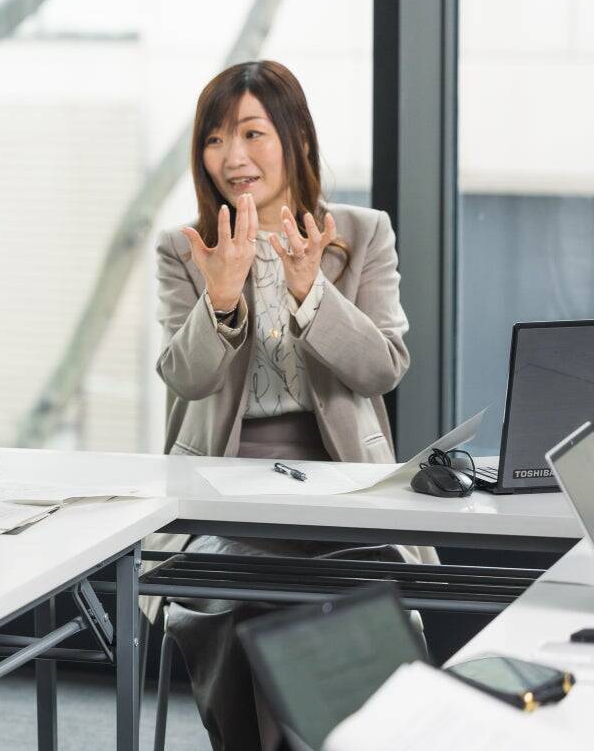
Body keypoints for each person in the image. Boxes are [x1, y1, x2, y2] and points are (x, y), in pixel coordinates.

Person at [151, 60, 420, 751]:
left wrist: (311, 292)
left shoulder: (363, 234)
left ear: (297, 136)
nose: (231, 157)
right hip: (225, 487)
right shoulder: (186, 249)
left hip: (346, 487)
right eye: (214, 139)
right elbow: (184, 379)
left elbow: (382, 369)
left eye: (251, 133)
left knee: (364, 606)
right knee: (251, 614)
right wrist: (220, 294)